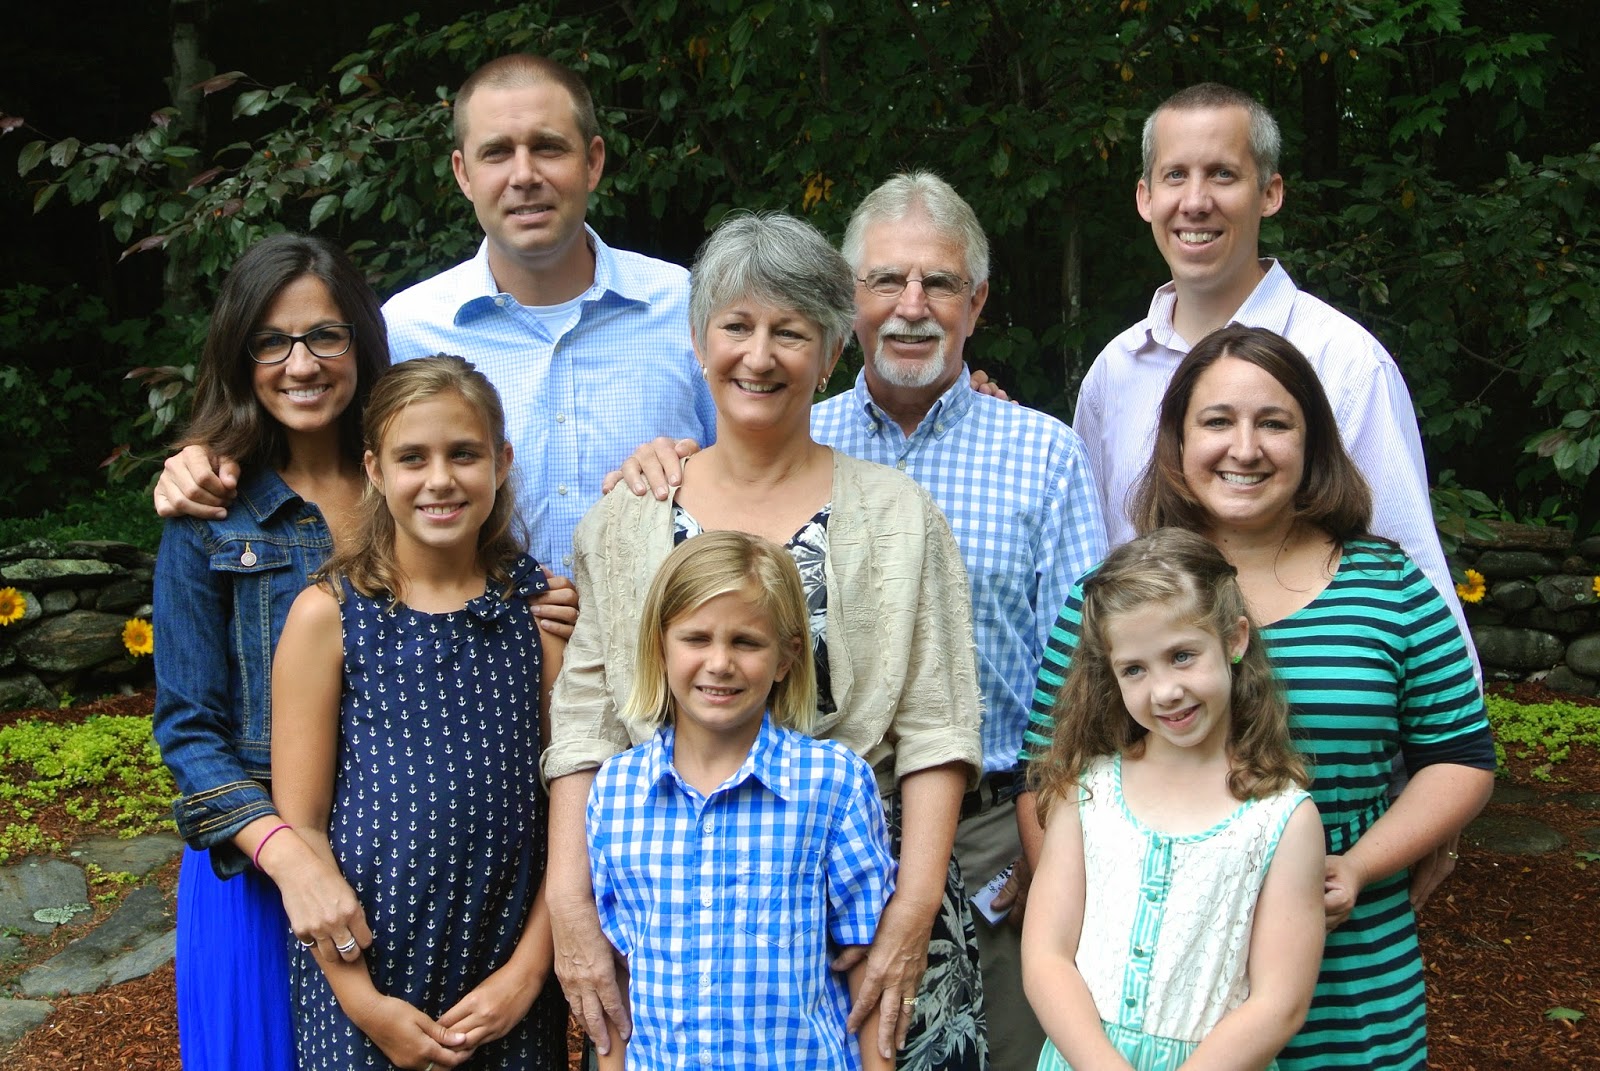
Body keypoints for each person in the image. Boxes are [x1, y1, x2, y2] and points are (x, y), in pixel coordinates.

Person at [613, 172, 1107, 1069]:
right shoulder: (787, 424)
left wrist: (1049, 842)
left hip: (989, 825)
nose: (912, 306)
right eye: (886, 280)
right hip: (728, 855)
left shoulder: (1041, 451)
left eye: (940, 283)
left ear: (977, 302)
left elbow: (1082, 674)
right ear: (852, 306)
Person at [546, 210, 987, 1070]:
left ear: (831, 353)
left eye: (790, 332)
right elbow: (586, 724)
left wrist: (910, 914)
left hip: (877, 901)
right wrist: (571, 900)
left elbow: (937, 724)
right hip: (681, 913)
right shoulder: (628, 517)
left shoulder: (899, 514)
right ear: (697, 341)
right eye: (736, 327)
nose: (759, 355)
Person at [1022, 327, 1495, 1070]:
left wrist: (1358, 866)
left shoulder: (1389, 588)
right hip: (1146, 1011)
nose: (1244, 448)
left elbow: (1461, 757)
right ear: (1179, 441)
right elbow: (1050, 776)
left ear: (1313, 442)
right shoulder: (1116, 599)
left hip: (1349, 985)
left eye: (1274, 422)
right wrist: (1096, 930)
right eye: (1217, 421)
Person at [153, 53, 716, 577]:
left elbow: (757, 467)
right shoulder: (404, 331)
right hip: (467, 649)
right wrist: (207, 458)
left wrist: (701, 468)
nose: (524, 175)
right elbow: (317, 451)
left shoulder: (689, 309)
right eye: (497, 153)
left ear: (592, 162)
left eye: (548, 147)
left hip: (664, 648)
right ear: (463, 173)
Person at [1072, 83, 1472, 666]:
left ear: (1270, 193)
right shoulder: (1115, 372)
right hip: (1156, 710)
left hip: (1317, 703)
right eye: (1176, 175)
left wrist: (1450, 720)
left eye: (1223, 175)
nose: (1196, 201)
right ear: (1145, 197)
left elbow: (1414, 582)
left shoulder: (1345, 361)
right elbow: (1100, 568)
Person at [271, 356, 568, 1070]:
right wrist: (362, 1003)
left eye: (464, 454)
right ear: (375, 470)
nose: (440, 479)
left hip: (506, 980)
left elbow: (572, 813)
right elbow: (302, 826)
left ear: (501, 462)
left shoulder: (537, 614)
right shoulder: (329, 616)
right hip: (366, 981)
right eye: (413, 458)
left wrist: (529, 973)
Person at [152, 233, 390, 1071]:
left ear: (360, 340)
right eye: (272, 342)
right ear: (239, 355)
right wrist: (291, 858)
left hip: (401, 855)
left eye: (325, 335)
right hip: (258, 875)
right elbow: (188, 730)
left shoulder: (415, 491)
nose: (301, 363)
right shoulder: (211, 515)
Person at [588, 531, 896, 1071]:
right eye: (696, 638)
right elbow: (614, 978)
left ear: (786, 657)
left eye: (746, 643)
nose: (720, 663)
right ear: (660, 647)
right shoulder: (616, 792)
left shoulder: (832, 784)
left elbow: (866, 962)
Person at [1022, 527, 1324, 1070]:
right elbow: (1047, 957)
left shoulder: (1282, 818)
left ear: (1234, 640)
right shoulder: (1085, 792)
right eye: (1134, 669)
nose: (1164, 691)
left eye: (1182, 656)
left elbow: (1280, 1003)